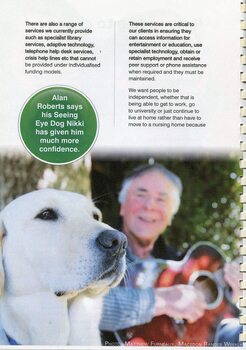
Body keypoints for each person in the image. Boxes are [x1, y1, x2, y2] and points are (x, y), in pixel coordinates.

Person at [99, 163, 241, 345]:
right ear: (122, 206)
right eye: (141, 194)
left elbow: (208, 329)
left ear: (170, 217)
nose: (149, 205)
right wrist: (162, 301)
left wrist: (228, 295)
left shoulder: (181, 263)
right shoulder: (98, 250)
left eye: (161, 199)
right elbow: (83, 305)